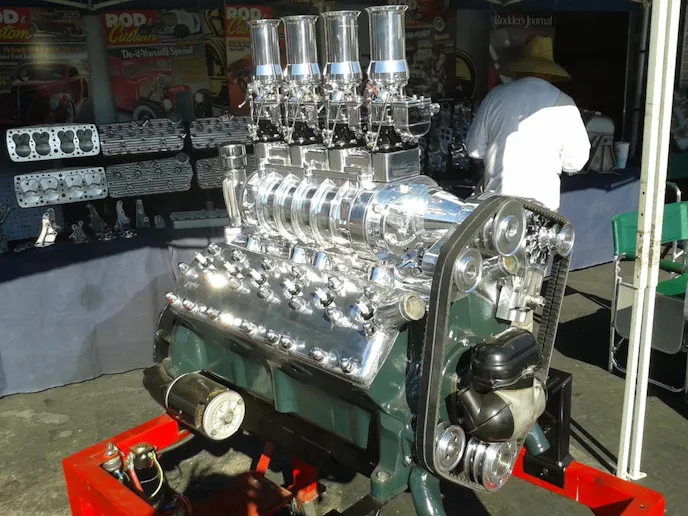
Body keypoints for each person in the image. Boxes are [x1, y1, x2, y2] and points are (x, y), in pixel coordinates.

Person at [465, 35, 591, 212]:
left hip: (497, 204)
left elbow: (474, 150)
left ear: (519, 69)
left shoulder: (495, 96)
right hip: (543, 207)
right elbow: (575, 162)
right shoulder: (565, 104)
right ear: (549, 73)